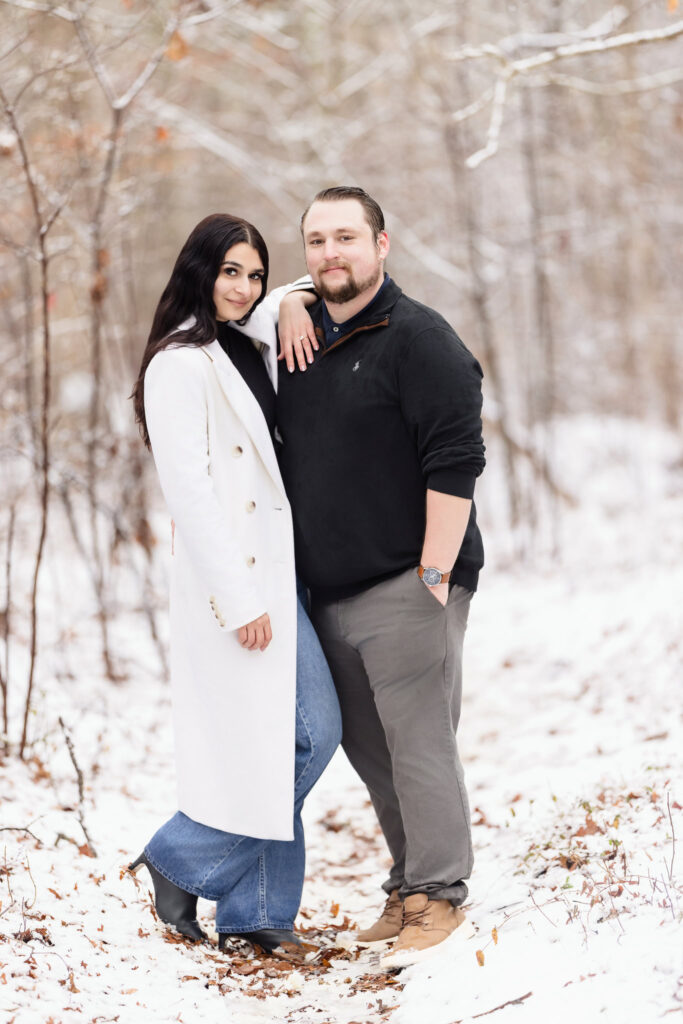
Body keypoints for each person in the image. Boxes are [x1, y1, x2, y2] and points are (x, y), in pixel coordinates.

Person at [276, 186, 486, 969]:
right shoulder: (297, 336)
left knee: (420, 742)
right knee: (373, 753)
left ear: (382, 245)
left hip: (409, 581)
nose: (332, 254)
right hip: (329, 592)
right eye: (316, 242)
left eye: (347, 239)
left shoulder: (419, 340)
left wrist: (434, 572)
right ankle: (406, 886)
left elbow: (456, 461)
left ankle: (441, 891)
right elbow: (234, 302)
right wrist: (291, 299)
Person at [129, 213, 341, 955]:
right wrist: (239, 599)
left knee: (273, 739)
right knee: (311, 733)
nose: (243, 286)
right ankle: (181, 858)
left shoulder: (247, 339)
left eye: (253, 274)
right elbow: (188, 492)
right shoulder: (178, 364)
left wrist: (284, 297)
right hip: (241, 583)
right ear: (198, 270)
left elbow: (309, 285)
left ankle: (257, 916)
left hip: (284, 572)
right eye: (230, 271)